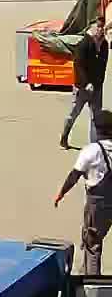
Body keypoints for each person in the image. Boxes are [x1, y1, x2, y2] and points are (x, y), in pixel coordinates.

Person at [56, 110, 112, 274]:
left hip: (98, 204)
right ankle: (85, 270)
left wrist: (61, 193)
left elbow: (75, 175)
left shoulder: (92, 151)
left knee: (92, 245)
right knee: (91, 238)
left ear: (97, 129)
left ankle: (92, 285)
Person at [65, 23, 109, 150]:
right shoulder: (84, 44)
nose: (101, 30)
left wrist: (98, 83)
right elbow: (79, 66)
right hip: (82, 87)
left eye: (103, 28)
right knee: (74, 113)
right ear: (93, 30)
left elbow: (102, 66)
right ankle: (65, 135)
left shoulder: (104, 45)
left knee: (95, 116)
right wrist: (86, 83)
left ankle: (94, 145)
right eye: (99, 28)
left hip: (96, 88)